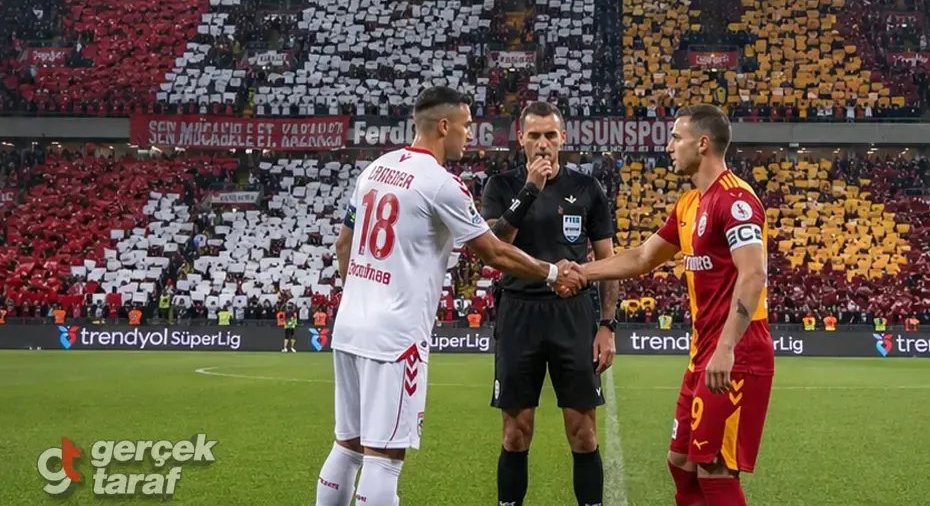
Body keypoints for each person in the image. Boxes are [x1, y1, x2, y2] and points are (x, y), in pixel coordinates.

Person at [314, 86, 584, 506]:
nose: (470, 133)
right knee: (384, 458)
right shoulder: (442, 184)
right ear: (444, 126)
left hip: (350, 325)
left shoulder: (375, 169)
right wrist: (552, 271)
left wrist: (362, 297)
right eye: (465, 124)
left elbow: (343, 245)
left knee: (347, 445)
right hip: (395, 336)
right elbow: (493, 251)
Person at [567, 104, 774, 506]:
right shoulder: (689, 204)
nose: (669, 147)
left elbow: (753, 274)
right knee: (681, 463)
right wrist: (582, 271)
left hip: (737, 350)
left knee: (714, 469)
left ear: (703, 143)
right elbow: (642, 257)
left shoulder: (736, 200)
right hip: (702, 354)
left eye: (676, 138)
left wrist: (726, 348)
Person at [481, 101, 619, 506]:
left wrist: (607, 325)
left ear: (563, 138)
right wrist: (530, 190)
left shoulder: (588, 189)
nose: (543, 143)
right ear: (520, 138)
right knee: (515, 432)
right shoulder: (500, 186)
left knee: (583, 433)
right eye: (535, 135)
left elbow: (608, 261)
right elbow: (494, 247)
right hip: (519, 312)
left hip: (573, 316)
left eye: (550, 135)